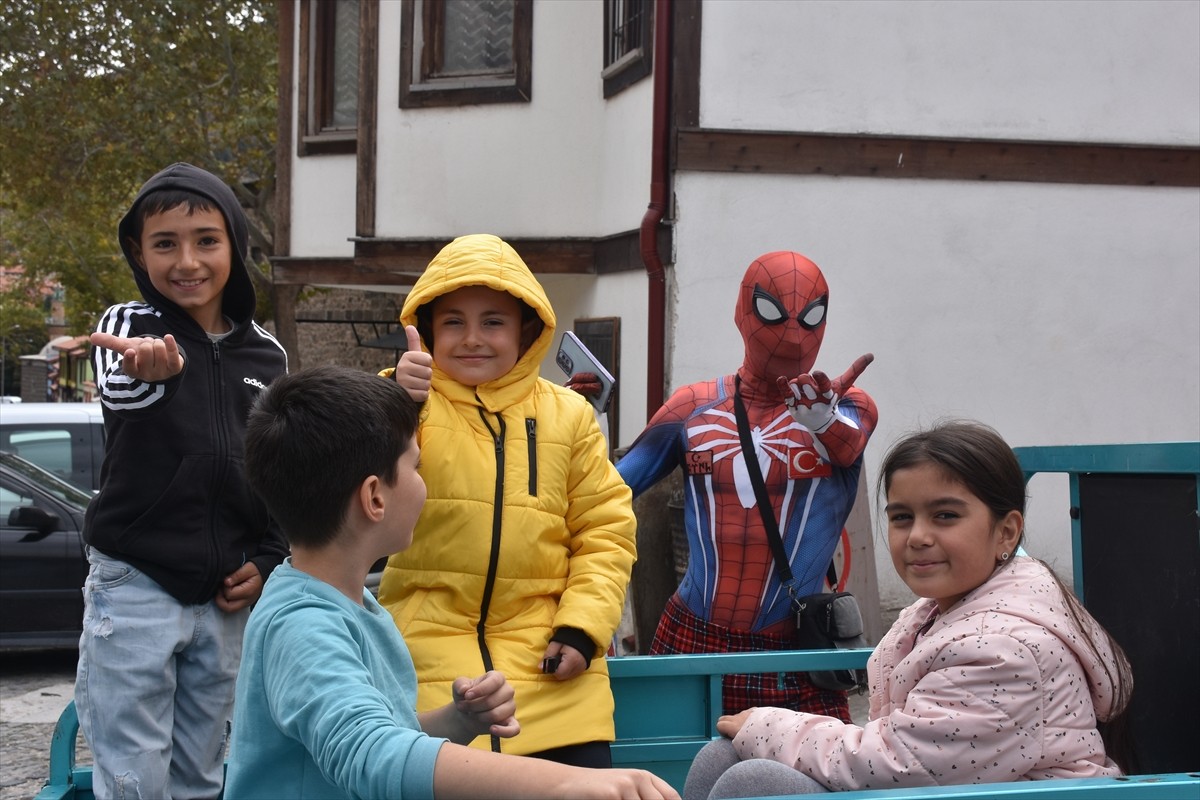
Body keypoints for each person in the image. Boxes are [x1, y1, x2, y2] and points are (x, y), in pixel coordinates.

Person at [226, 365, 677, 800]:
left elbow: (385, 730)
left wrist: (458, 721)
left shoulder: (351, 602)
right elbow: (371, 754)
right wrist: (571, 783)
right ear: (374, 498)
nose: (423, 482)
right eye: (416, 466)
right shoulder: (304, 626)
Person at [683, 420, 1135, 799]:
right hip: (942, 788)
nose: (917, 536)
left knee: (753, 782)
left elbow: (899, 765)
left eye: (945, 516)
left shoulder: (1005, 651)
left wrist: (772, 726)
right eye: (902, 517)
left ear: (1006, 532)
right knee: (723, 755)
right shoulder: (941, 612)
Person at [380, 233, 638, 767]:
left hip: (555, 675)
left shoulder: (570, 416)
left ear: (525, 329)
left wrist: (583, 628)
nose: (473, 338)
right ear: (427, 331)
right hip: (427, 673)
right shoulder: (403, 403)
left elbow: (606, 531)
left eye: (493, 321)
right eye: (454, 322)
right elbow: (355, 489)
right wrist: (394, 403)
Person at [76, 162, 289, 799]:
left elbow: (278, 470)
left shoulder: (268, 354)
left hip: (227, 597)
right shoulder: (127, 327)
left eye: (206, 241)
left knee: (204, 780)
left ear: (235, 248)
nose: (187, 261)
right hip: (135, 583)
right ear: (139, 252)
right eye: (165, 243)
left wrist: (270, 557)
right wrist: (152, 376)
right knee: (133, 779)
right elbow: (121, 393)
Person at [615, 251, 878, 723]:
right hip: (692, 636)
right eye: (772, 313)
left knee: (805, 769)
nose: (792, 335)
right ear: (743, 312)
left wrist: (822, 420)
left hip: (795, 646)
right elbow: (607, 488)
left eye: (809, 318)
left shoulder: (847, 405)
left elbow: (848, 445)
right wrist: (577, 418)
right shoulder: (691, 407)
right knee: (670, 764)